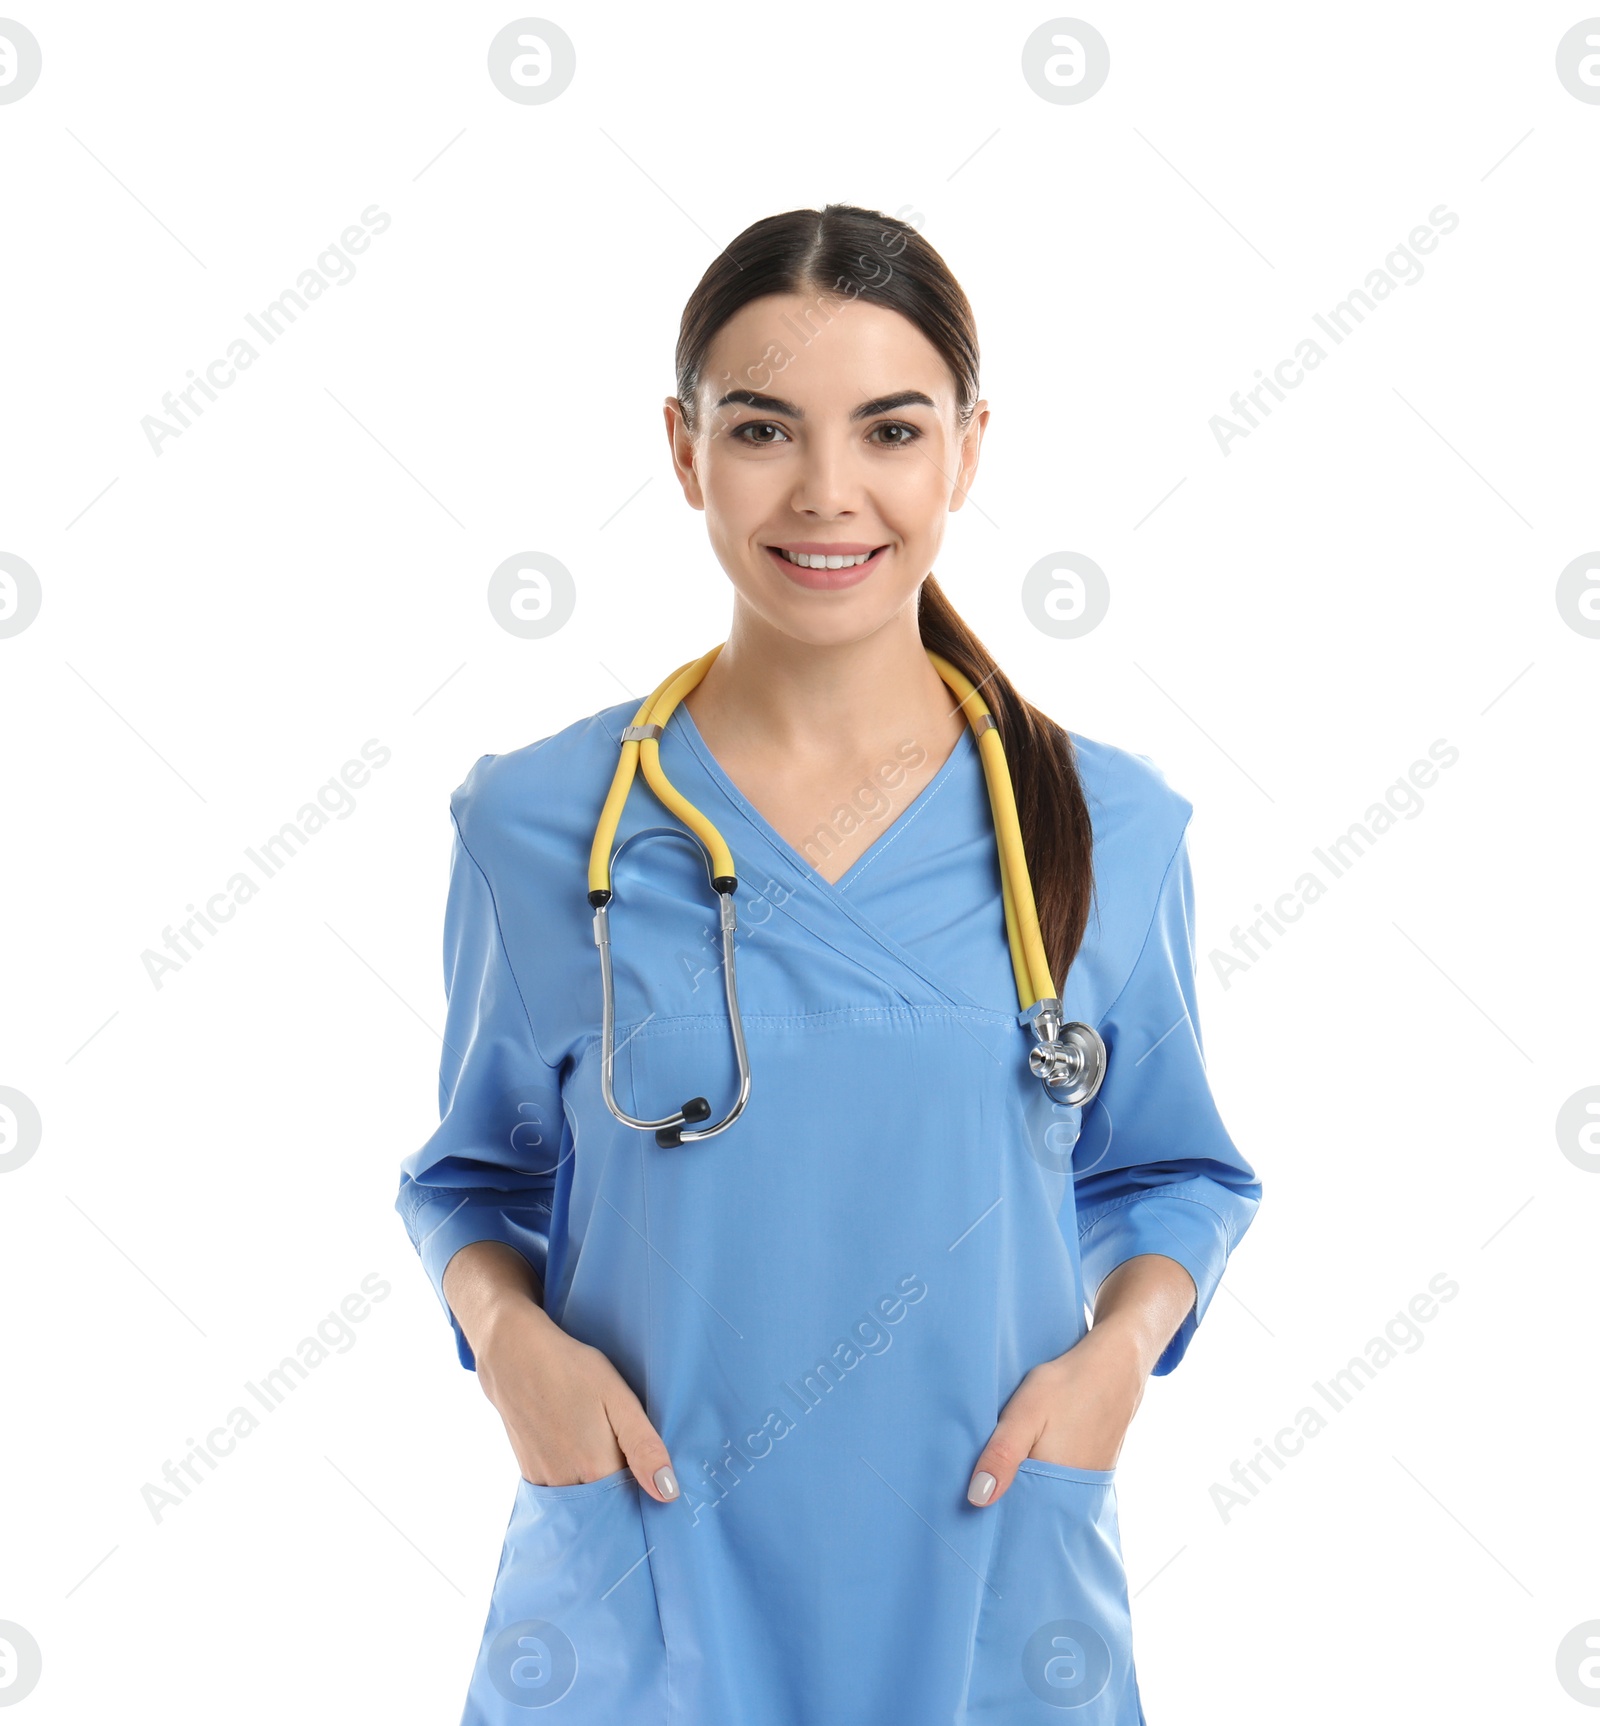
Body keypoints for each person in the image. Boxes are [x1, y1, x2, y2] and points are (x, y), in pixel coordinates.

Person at [395, 202, 1262, 1725]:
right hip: (642, 1599)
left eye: (891, 429)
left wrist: (1118, 1358)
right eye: (763, 428)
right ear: (681, 450)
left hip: (992, 1584)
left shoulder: (1109, 827)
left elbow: (1176, 1171)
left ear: (969, 451)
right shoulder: (538, 828)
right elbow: (471, 1177)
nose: (827, 492)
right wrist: (507, 1337)